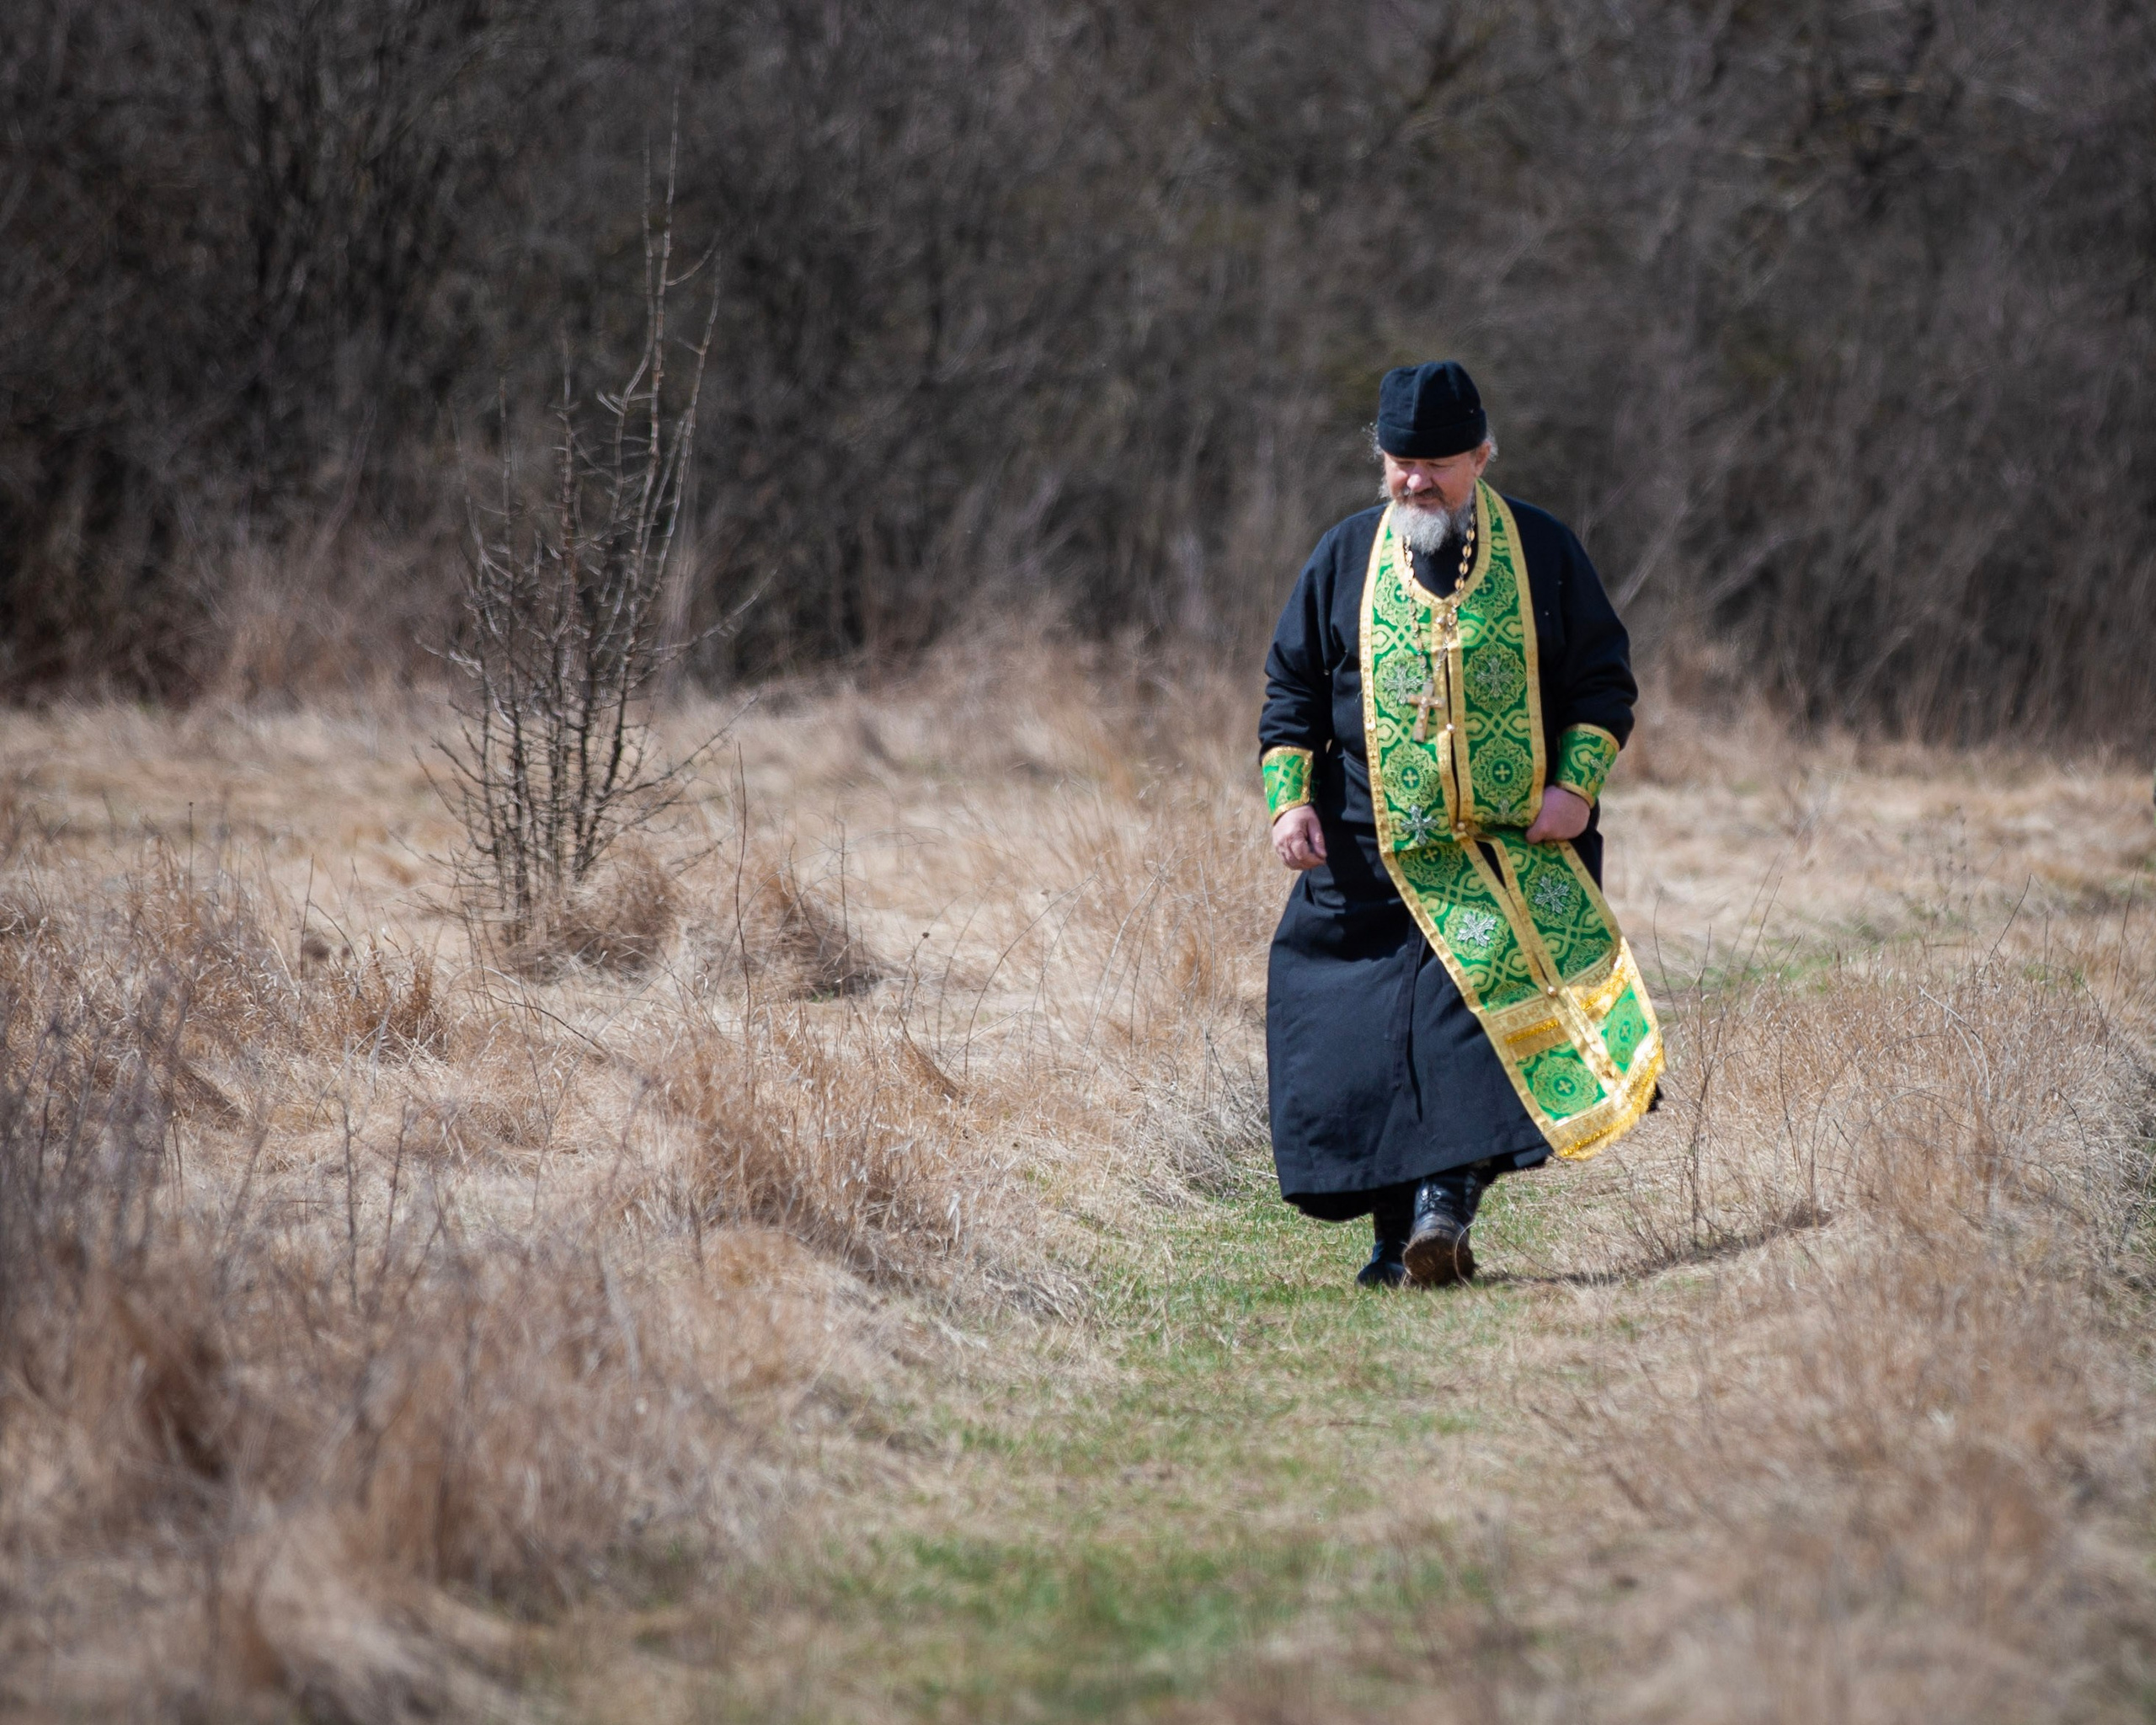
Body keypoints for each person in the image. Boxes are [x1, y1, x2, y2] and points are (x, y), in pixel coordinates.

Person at [1259, 361, 1662, 1289]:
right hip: (1363, 859)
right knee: (1355, 1040)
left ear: (1483, 455)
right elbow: (1291, 689)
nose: (1414, 481)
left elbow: (1603, 683)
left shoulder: (1547, 550)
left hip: (1502, 855)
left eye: (1436, 463)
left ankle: (1445, 1202)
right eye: (1399, 461)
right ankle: (1392, 1234)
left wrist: (1576, 786)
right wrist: (1291, 798)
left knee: (1464, 1029)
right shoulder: (1343, 555)